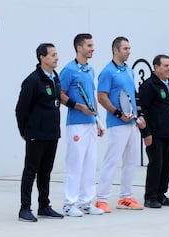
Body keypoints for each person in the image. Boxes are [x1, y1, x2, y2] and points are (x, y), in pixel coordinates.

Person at [95, 36, 146, 213]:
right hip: (116, 124)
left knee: (131, 161)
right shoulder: (107, 72)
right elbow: (101, 97)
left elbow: (131, 96)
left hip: (132, 123)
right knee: (112, 160)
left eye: (129, 48)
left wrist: (138, 117)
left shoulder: (129, 71)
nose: (128, 51)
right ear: (115, 50)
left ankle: (125, 197)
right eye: (125, 48)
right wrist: (118, 113)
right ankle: (101, 199)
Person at [16, 43, 64, 222]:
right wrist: (24, 130)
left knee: (46, 171)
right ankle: (25, 208)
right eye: (52, 55)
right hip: (36, 133)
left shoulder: (55, 78)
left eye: (56, 54)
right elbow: (21, 108)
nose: (56, 57)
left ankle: (44, 206)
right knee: (31, 170)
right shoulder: (33, 81)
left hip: (52, 133)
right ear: (42, 58)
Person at [59, 34, 104, 216]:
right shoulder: (68, 70)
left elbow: (92, 97)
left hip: (91, 124)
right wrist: (79, 107)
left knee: (90, 164)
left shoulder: (90, 70)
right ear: (79, 47)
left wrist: (98, 120)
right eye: (89, 45)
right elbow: (59, 94)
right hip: (76, 125)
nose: (93, 48)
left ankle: (85, 202)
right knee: (75, 164)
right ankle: (69, 204)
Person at [139, 55, 169, 208]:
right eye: (165, 66)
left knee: (167, 164)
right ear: (156, 67)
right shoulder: (149, 85)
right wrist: (146, 133)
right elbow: (143, 111)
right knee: (156, 164)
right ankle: (150, 197)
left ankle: (161, 194)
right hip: (154, 134)